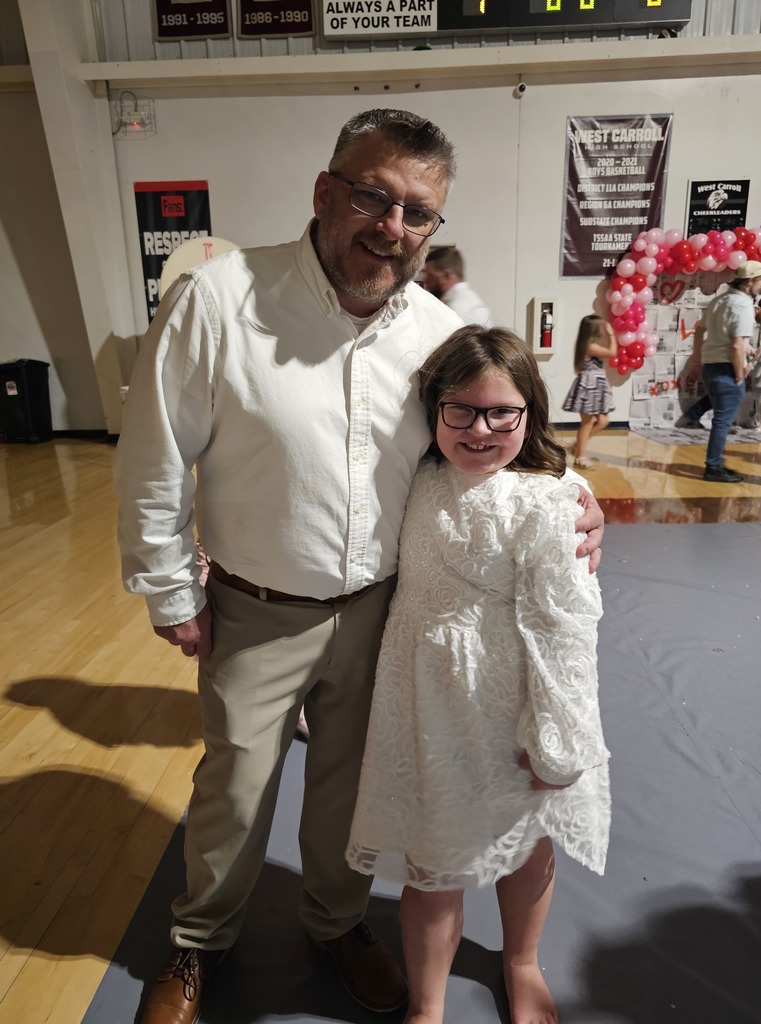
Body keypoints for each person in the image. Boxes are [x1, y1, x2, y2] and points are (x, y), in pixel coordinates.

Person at [114, 107, 605, 1024]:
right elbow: (153, 457)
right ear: (325, 193)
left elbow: (499, 421)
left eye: (419, 212)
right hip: (255, 602)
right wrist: (169, 586)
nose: (393, 226)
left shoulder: (432, 328)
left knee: (354, 787)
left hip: (386, 608)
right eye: (374, 197)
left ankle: (336, 924)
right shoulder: (221, 300)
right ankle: (196, 944)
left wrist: (579, 496)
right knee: (235, 787)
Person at [347, 325, 610, 1024]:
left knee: (527, 841)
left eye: (503, 412)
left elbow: (565, 629)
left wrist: (554, 736)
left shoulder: (550, 498)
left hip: (513, 701)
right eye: (461, 409)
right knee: (435, 857)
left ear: (531, 412)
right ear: (434, 410)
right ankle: (426, 1005)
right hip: (427, 698)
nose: (482, 428)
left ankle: (520, 961)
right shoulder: (416, 478)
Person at [690, 259, 761, 482]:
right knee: (723, 421)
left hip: (710, 366)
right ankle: (713, 467)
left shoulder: (719, 300)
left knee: (721, 419)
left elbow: (698, 332)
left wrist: (696, 364)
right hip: (728, 369)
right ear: (750, 281)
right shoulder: (742, 305)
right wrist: (741, 373)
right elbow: (735, 344)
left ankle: (716, 464)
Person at [561, 313, 618, 468]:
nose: (603, 329)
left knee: (603, 421)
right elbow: (612, 352)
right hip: (589, 386)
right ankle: (580, 456)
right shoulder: (590, 347)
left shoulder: (590, 345)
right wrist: (611, 333)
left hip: (596, 385)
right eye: (600, 327)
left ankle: (578, 446)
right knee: (587, 423)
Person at [422, 244, 493, 326]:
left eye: (430, 275)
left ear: (447, 276)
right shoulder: (474, 301)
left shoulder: (454, 310)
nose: (426, 281)